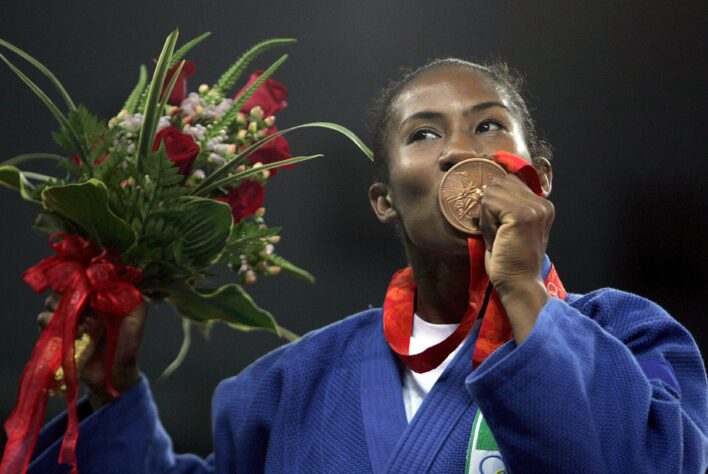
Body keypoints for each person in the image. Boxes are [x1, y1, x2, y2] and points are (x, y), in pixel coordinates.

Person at [27, 59, 707, 473]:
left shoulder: (632, 336)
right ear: (383, 201)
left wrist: (523, 291)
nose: (456, 152)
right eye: (424, 133)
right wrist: (111, 391)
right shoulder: (288, 386)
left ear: (541, 178)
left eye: (489, 125)